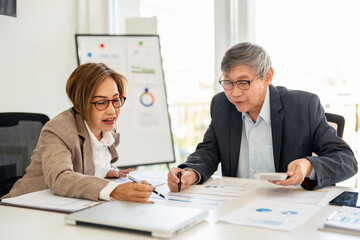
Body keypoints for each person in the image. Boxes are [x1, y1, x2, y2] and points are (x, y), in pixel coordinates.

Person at [168, 42, 358, 192]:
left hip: (290, 209)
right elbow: (208, 151)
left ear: (267, 77)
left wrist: (309, 165)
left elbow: (346, 160)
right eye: (227, 82)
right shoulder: (222, 105)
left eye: (243, 82)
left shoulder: (303, 106)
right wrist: (190, 173)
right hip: (236, 206)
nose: (234, 93)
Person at [3, 63, 154, 203]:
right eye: (101, 102)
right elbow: (60, 178)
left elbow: (87, 162)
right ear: (79, 105)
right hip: (26, 207)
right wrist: (113, 190)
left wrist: (105, 170)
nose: (112, 111)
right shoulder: (58, 130)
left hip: (68, 205)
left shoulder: (106, 126)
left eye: (116, 100)